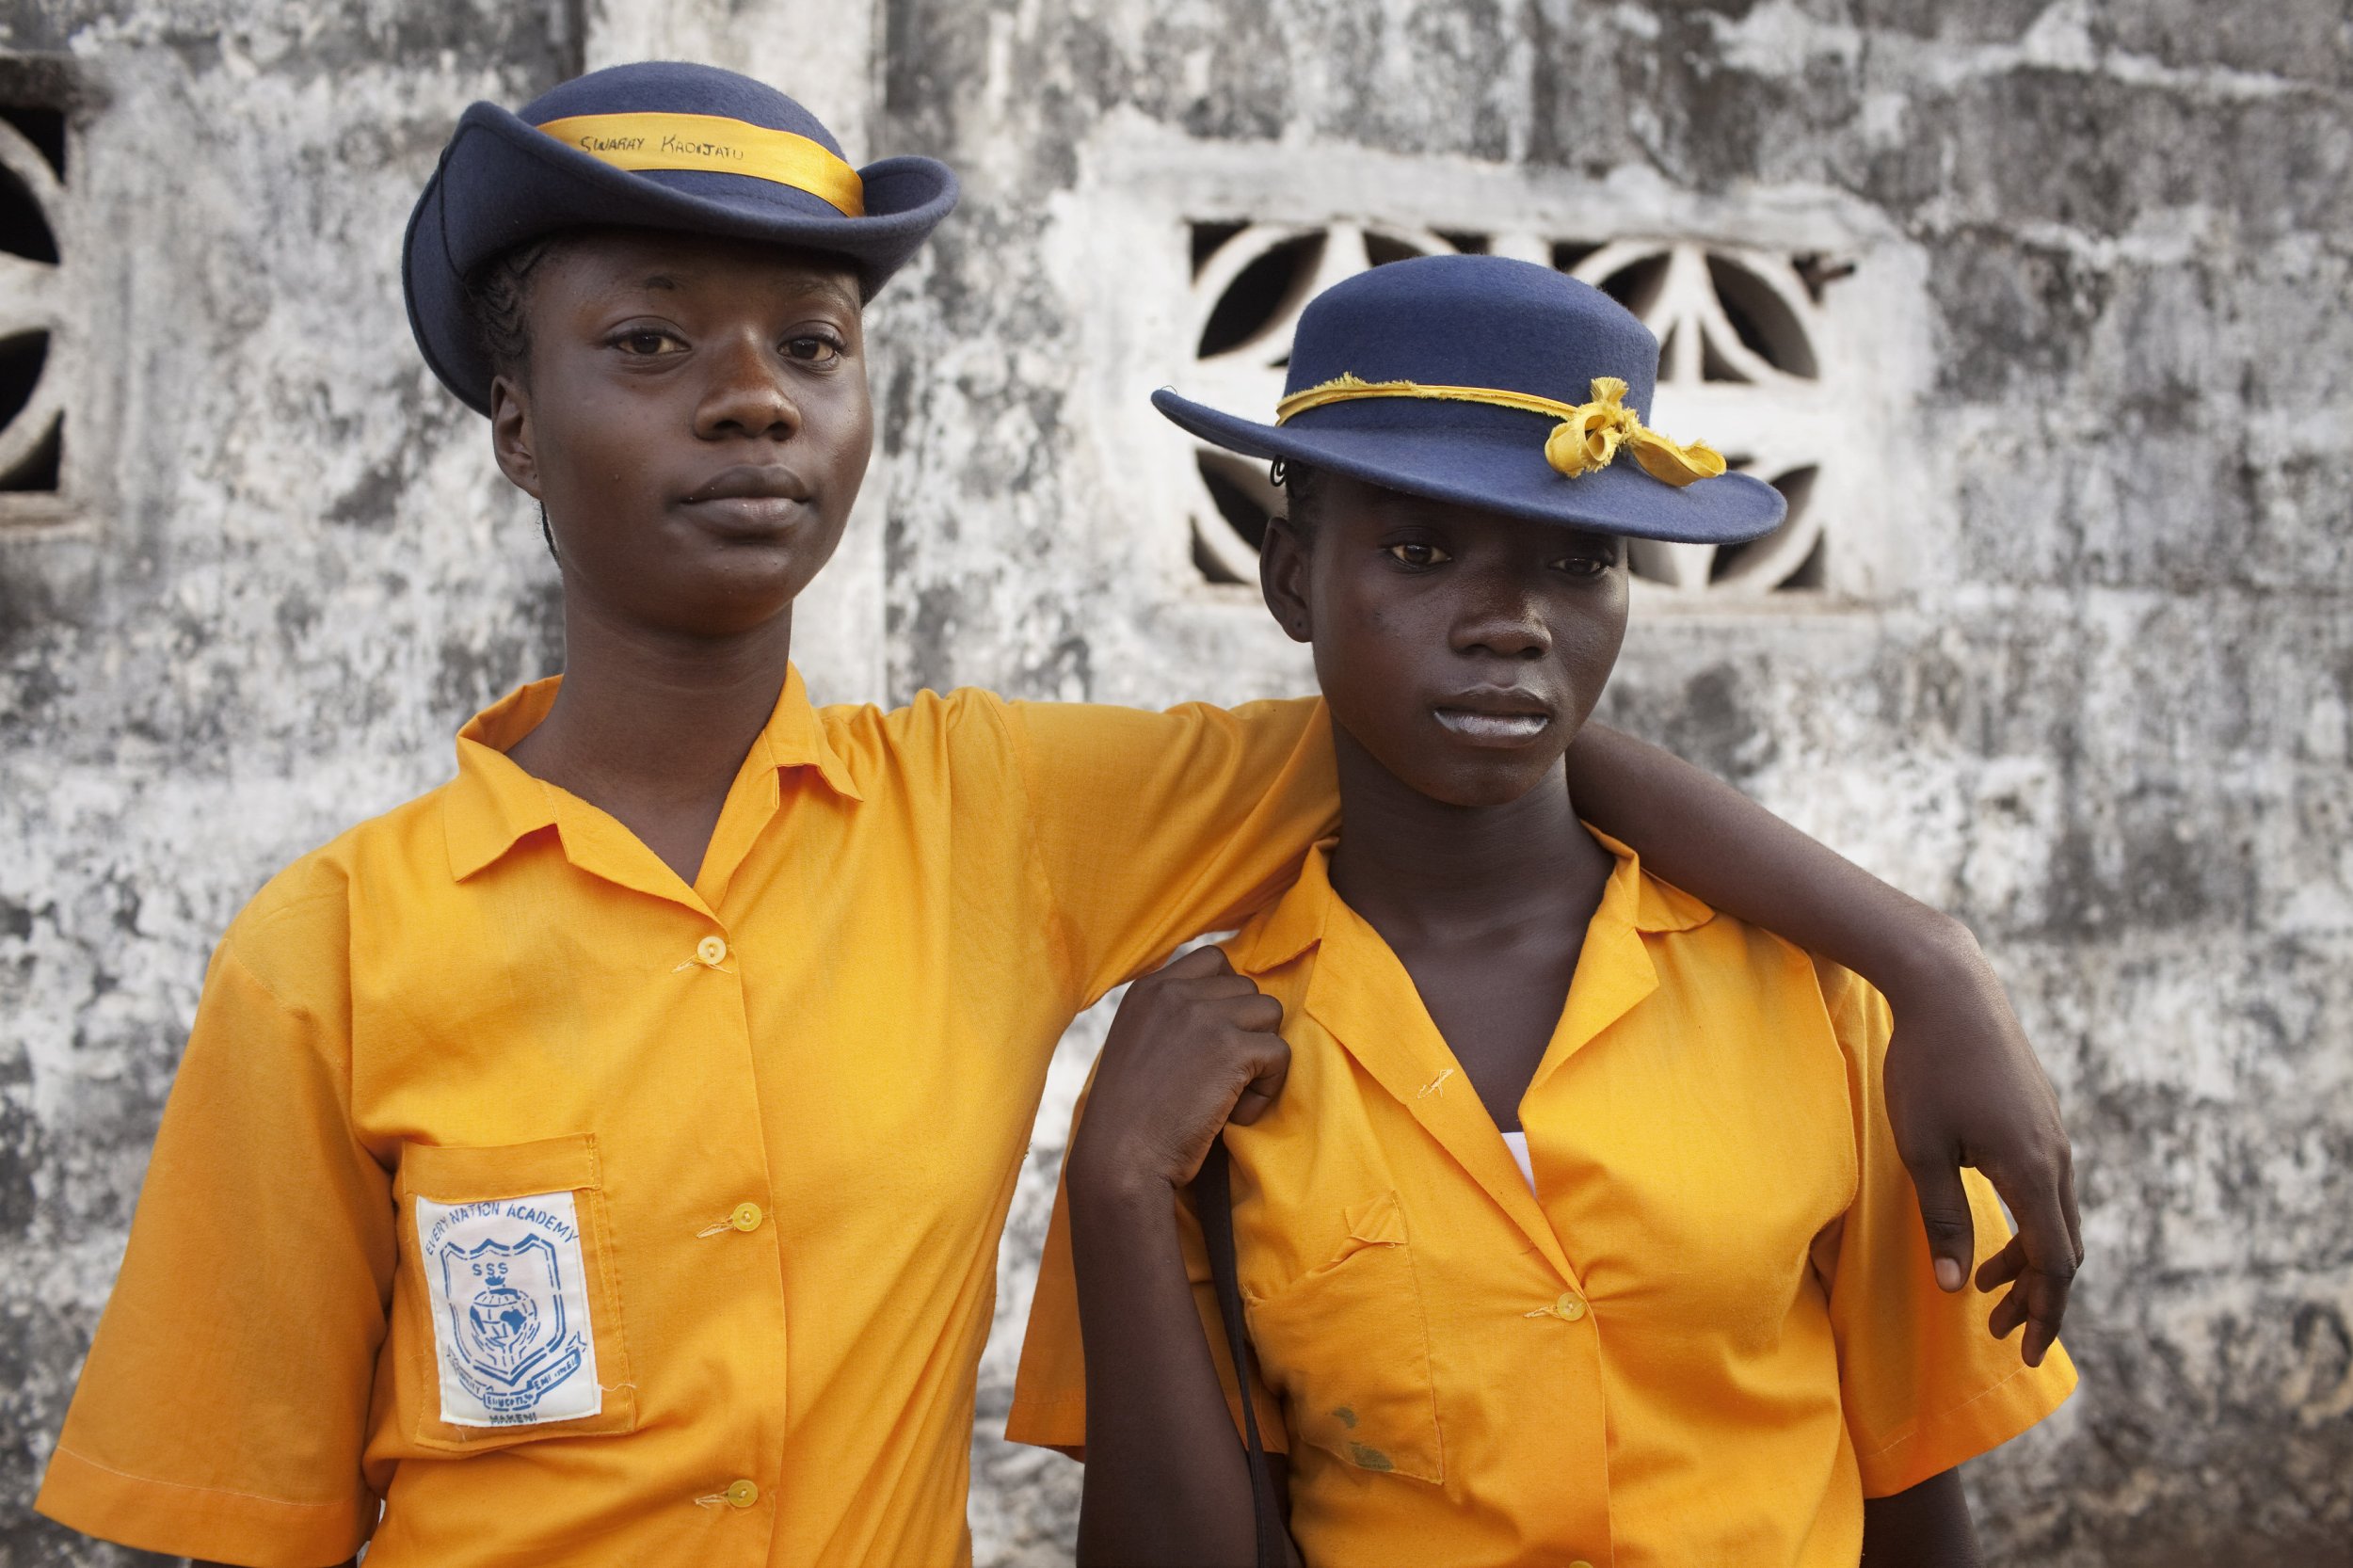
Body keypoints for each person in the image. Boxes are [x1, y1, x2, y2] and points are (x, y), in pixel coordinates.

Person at [33, 64, 2075, 1568]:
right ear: (512, 422)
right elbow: (243, 1515)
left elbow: (1476, 711)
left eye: (811, 348)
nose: (752, 397)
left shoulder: (990, 821)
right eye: (648, 341)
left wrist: (1917, 959)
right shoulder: (336, 943)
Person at [1007, 256, 2077, 1567]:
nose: (1510, 622)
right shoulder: (1199, 1072)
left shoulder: (1812, 993)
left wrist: (1931, 959)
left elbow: (1909, 1493)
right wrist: (1118, 1182)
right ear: (1293, 577)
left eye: (1577, 561)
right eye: (1419, 550)